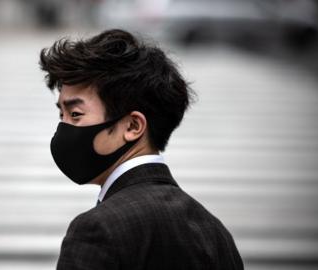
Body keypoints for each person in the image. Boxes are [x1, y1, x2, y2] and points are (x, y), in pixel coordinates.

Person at [39, 29, 243, 270]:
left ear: (133, 126)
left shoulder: (99, 229)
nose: (63, 128)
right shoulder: (214, 232)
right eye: (61, 114)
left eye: (75, 114)